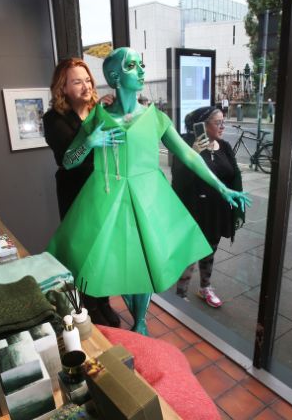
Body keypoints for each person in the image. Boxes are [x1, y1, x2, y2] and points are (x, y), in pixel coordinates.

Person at [47, 48, 250, 335]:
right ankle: (130, 316)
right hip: (106, 199)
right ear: (115, 77)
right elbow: (68, 161)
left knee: (143, 260)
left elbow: (188, 155)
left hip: (147, 197)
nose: (142, 70)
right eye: (132, 65)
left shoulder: (155, 117)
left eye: (141, 64)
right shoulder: (97, 117)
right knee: (115, 261)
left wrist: (222, 186)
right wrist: (89, 142)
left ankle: (140, 321)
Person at [43, 58, 120, 328]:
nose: (86, 86)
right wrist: (89, 142)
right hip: (75, 192)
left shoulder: (97, 110)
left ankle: (104, 299)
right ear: (62, 88)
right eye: (77, 82)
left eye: (88, 80)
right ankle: (89, 305)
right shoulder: (54, 119)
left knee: (104, 249)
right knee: (84, 252)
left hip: (101, 190)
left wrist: (107, 110)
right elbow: (68, 161)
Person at [171, 106, 244, 307]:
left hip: (217, 210)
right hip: (194, 210)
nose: (223, 126)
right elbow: (178, 179)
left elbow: (234, 175)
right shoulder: (187, 145)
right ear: (202, 126)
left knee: (210, 251)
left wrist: (237, 206)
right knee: (190, 254)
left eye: (223, 122)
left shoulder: (225, 146)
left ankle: (205, 287)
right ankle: (180, 294)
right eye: (218, 122)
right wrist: (193, 152)